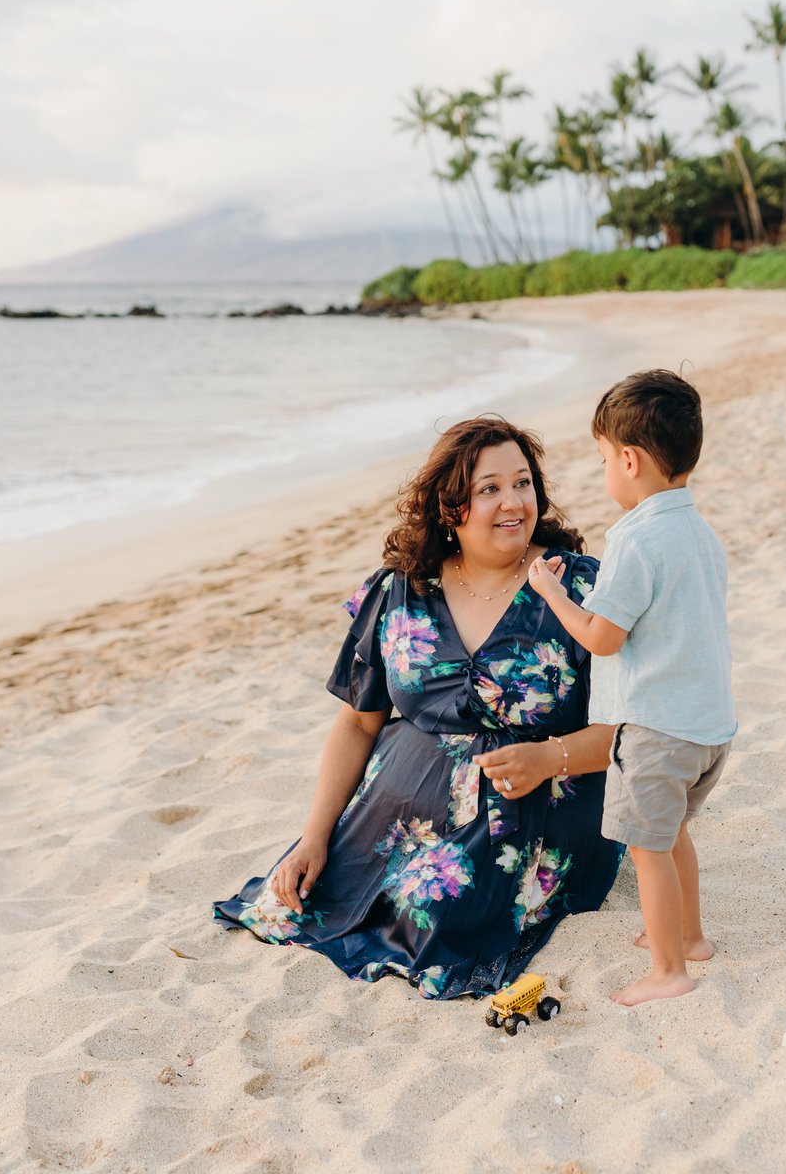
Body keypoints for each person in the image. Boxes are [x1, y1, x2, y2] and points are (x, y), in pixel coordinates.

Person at [213, 417, 622, 999]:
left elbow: (631, 730)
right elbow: (357, 722)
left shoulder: (578, 588)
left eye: (523, 483)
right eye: (489, 489)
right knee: (296, 899)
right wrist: (313, 836)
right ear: (450, 506)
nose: (514, 502)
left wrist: (548, 758)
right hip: (392, 812)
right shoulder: (400, 590)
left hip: (533, 805)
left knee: (434, 916)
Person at [527, 369, 735, 1005]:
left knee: (647, 849)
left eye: (601, 462)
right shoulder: (700, 533)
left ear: (629, 459)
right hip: (709, 729)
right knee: (673, 836)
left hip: (656, 729)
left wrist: (553, 594)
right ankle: (691, 936)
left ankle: (670, 970)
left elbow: (601, 637)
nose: (604, 476)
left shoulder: (635, 539)